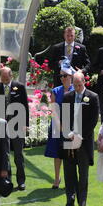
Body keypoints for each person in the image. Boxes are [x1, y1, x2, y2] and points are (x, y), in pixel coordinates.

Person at [61, 72, 99, 206]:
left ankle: (82, 203)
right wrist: (69, 133)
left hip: (84, 141)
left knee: (83, 174)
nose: (77, 88)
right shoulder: (67, 97)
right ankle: (69, 202)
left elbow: (93, 120)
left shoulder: (93, 97)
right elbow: (64, 118)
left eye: (79, 85)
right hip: (69, 140)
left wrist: (80, 135)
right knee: (69, 172)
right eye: (75, 85)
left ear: (84, 82)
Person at [0, 67, 29, 191]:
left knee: (18, 155)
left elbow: (25, 106)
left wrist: (25, 124)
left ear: (11, 76)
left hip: (17, 125)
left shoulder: (20, 87)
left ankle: (21, 181)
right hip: (2, 125)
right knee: (4, 154)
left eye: (6, 78)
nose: (5, 80)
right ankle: (7, 180)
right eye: (2, 78)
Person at [44, 59, 75, 189]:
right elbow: (54, 110)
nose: (62, 78)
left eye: (65, 75)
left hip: (72, 125)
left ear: (71, 77)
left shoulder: (76, 89)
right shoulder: (55, 91)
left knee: (71, 154)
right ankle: (57, 178)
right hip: (58, 126)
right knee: (57, 154)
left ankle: (71, 179)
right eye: (61, 76)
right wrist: (61, 126)